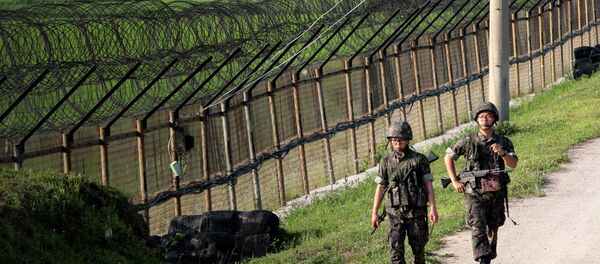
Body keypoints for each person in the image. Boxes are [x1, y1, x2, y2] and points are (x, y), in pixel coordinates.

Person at [443, 101, 518, 264]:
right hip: (474, 193)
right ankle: (483, 259)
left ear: (495, 119)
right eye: (481, 116)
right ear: (476, 120)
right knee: (477, 226)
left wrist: (502, 152)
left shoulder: (503, 141)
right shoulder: (468, 141)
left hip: (496, 193)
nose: (485, 119)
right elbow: (448, 156)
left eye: (489, 116)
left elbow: (513, 163)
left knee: (494, 226)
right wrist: (455, 180)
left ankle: (488, 257)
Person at [371, 121, 438, 264]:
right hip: (394, 214)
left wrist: (433, 208)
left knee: (419, 252)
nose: (397, 142)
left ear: (408, 139)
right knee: (395, 254)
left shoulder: (419, 160)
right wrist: (374, 211)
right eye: (394, 140)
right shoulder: (385, 162)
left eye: (401, 139)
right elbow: (380, 187)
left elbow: (428, 186)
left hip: (416, 213)